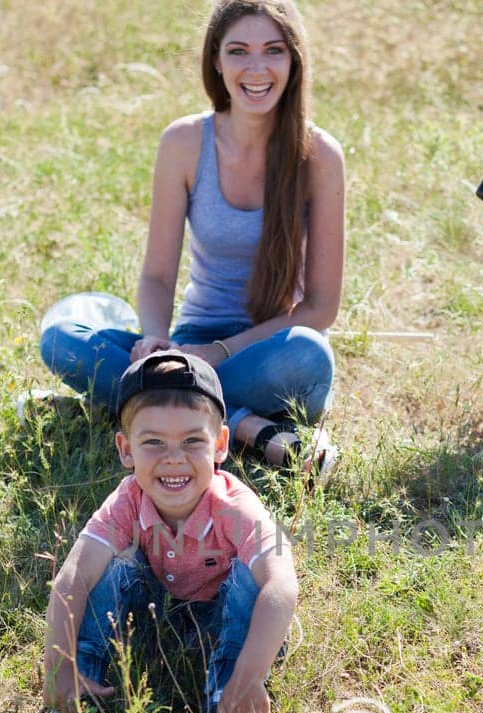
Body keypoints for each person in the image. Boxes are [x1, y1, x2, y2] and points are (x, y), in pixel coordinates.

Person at [39, 0, 344, 476]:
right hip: (190, 341)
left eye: (273, 51)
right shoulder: (183, 143)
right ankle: (248, 427)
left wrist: (214, 356)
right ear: (216, 61)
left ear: (294, 60)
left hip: (271, 350)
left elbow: (319, 310)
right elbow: (158, 277)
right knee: (60, 339)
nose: (256, 68)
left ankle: (147, 406)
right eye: (239, 51)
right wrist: (159, 339)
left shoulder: (320, 155)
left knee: (309, 353)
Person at [39, 352, 298, 713]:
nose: (173, 458)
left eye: (192, 441)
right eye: (153, 442)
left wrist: (251, 675)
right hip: (157, 613)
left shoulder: (237, 507)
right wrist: (58, 662)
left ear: (220, 446)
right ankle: (74, 696)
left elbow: (283, 585)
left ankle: (228, 709)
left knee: (250, 580)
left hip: (228, 621)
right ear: (126, 449)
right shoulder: (127, 499)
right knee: (110, 568)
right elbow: (74, 576)